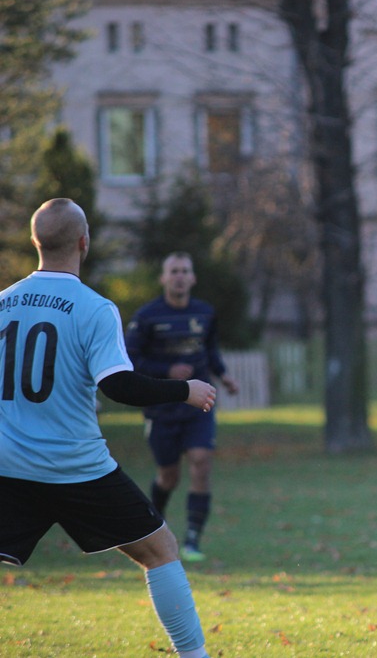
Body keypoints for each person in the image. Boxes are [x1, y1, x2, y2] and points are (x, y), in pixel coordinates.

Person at [0, 198, 218, 658]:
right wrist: (186, 391)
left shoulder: (2, 303)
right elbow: (118, 385)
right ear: (84, 242)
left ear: (35, 242)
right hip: (77, 467)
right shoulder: (93, 307)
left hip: (10, 467)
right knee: (160, 551)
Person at [126, 252, 238, 562]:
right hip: (162, 409)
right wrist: (168, 371)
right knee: (169, 477)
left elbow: (210, 351)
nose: (179, 276)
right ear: (163, 278)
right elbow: (131, 359)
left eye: (185, 271)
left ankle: (192, 541)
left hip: (199, 405)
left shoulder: (205, 313)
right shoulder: (147, 317)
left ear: (192, 278)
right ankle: (154, 529)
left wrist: (225, 376)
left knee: (202, 461)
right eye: (173, 271)